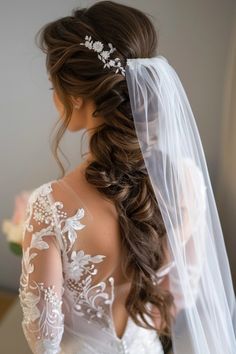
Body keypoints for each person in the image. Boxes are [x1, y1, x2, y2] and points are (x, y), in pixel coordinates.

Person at [18, 1, 236, 354]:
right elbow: (178, 296)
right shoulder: (185, 179)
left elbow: (43, 341)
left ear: (76, 99)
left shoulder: (50, 206)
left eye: (53, 88)